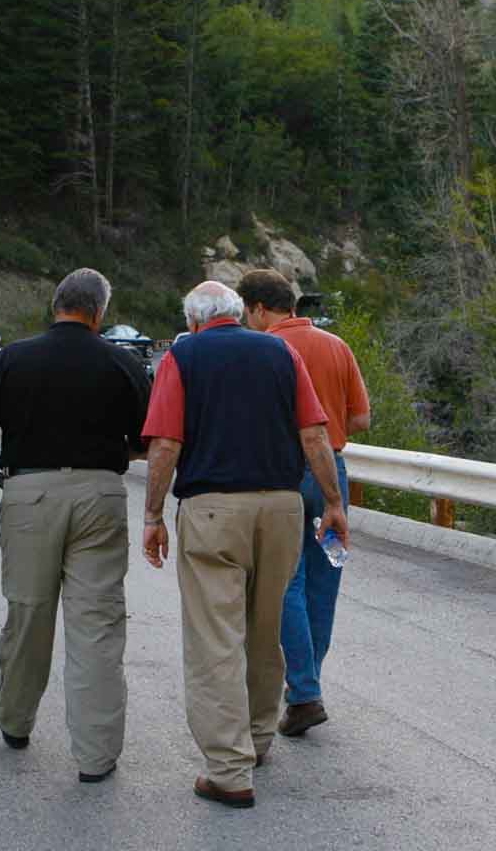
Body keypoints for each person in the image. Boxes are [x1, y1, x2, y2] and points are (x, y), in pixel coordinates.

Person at [140, 281, 347, 809]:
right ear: (241, 314)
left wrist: (152, 513)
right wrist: (332, 502)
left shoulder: (183, 356)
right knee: (263, 627)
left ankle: (229, 771)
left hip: (213, 509)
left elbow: (165, 443)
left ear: (192, 321)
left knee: (216, 636)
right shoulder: (280, 351)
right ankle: (257, 740)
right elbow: (314, 435)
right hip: (281, 507)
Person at [0, 268, 152, 784]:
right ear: (100, 312)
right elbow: (147, 440)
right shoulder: (124, 362)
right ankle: (95, 756)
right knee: (97, 625)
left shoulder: (12, 359)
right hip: (100, 495)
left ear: (55, 305)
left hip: (28, 495)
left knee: (28, 612)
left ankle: (17, 719)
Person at [234, 269, 371, 739]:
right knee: (327, 574)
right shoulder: (337, 347)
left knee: (286, 580)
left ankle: (305, 691)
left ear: (257, 308)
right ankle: (307, 686)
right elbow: (361, 418)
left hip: (286, 475)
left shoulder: (265, 350)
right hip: (333, 475)